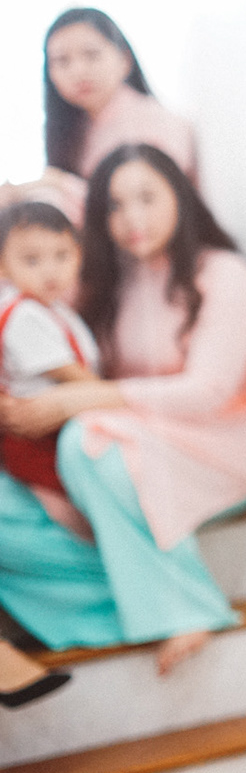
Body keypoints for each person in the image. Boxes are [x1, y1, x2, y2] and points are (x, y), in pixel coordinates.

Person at [0, 144, 246, 676]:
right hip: (130, 437)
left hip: (220, 444)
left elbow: (208, 392)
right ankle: (129, 603)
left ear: (180, 195)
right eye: (114, 206)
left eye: (147, 197)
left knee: (88, 442)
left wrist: (84, 398)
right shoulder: (104, 284)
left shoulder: (222, 273)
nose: (132, 219)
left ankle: (181, 607)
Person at [1, 8, 197, 223]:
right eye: (62, 61)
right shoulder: (77, 127)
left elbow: (144, 207)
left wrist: (55, 183)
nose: (78, 71)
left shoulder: (157, 122)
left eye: (91, 55)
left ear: (124, 59)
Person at [0, 202, 101, 536]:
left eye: (62, 256)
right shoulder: (24, 315)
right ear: (3, 266)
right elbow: (70, 373)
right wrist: (117, 396)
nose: (50, 271)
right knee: (67, 504)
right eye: (32, 260)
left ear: (78, 255)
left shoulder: (52, 308)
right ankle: (83, 537)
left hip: (56, 424)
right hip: (37, 437)